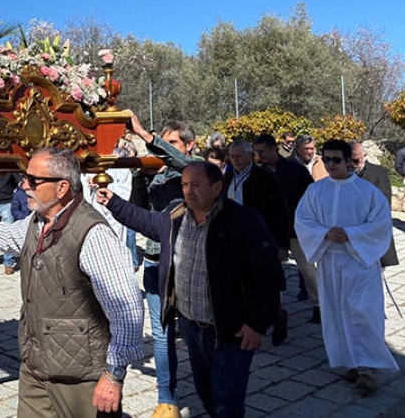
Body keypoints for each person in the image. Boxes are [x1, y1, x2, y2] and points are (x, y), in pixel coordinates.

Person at [0, 147, 144, 418]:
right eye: (25, 178)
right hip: (36, 368)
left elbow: (127, 309)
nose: (24, 185)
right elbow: (8, 236)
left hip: (81, 377)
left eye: (33, 181)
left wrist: (113, 374)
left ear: (62, 188)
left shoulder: (93, 234)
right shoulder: (37, 221)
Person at [100, 161, 282, 418]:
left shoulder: (243, 221)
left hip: (230, 332)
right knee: (206, 390)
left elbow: (269, 276)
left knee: (227, 401)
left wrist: (257, 324)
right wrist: (113, 202)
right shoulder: (176, 214)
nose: (188, 191)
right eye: (185, 185)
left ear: (217, 187)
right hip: (191, 326)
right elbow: (145, 221)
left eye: (196, 185)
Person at [294, 139, 399, 395]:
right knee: (337, 312)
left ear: (348, 161)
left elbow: (381, 225)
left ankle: (369, 367)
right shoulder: (315, 192)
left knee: (363, 312)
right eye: (326, 159)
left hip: (360, 262)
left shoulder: (367, 192)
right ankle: (350, 361)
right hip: (330, 261)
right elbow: (303, 221)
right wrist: (325, 234)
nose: (330, 165)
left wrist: (350, 234)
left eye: (336, 160)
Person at [126, 111, 197, 418]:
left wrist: (146, 136)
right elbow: (142, 215)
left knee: (197, 332)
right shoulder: (157, 173)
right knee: (162, 334)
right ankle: (167, 398)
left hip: (189, 264)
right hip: (156, 261)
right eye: (163, 143)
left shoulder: (196, 170)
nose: (163, 149)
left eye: (171, 143)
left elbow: (184, 166)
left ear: (189, 145)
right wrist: (137, 178)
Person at [224, 140, 290, 345]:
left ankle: (277, 316)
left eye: (239, 156)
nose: (236, 160)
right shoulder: (227, 178)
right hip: (233, 240)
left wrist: (282, 244)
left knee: (265, 284)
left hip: (260, 239)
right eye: (232, 157)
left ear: (250, 155)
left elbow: (280, 211)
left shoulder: (265, 178)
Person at [252, 134, 318, 321]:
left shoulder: (294, 170)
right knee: (269, 272)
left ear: (274, 148)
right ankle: (275, 309)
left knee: (307, 269)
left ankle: (320, 305)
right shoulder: (256, 173)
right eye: (256, 152)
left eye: (262, 151)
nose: (259, 156)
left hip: (295, 228)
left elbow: (310, 196)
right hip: (269, 230)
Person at [350, 141, 398, 268]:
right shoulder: (343, 173)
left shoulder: (378, 173)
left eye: (356, 160)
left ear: (364, 156)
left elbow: (384, 204)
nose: (353, 165)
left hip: (372, 231)